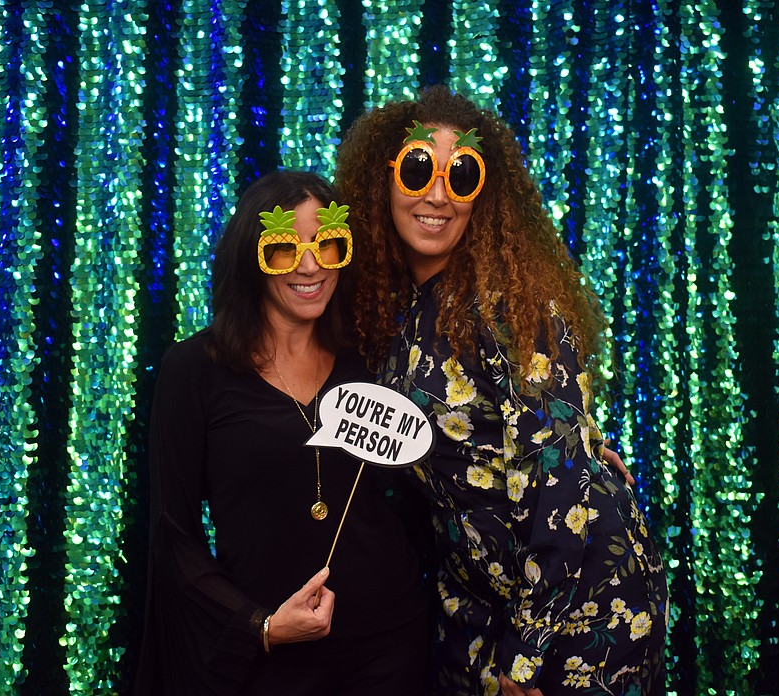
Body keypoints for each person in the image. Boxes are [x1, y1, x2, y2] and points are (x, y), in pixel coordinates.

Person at [334, 85, 668, 695]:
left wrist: (526, 655)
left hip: (577, 603)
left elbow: (563, 484)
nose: (437, 195)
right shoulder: (393, 307)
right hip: (477, 601)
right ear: (381, 180)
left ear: (482, 195)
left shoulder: (512, 308)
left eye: (461, 175)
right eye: (416, 170)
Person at [133, 170, 429, 695]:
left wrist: (567, 451)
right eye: (284, 250)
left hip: (389, 647)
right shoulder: (193, 370)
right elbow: (173, 535)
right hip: (267, 663)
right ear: (252, 259)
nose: (310, 266)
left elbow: (446, 452)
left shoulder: (372, 356)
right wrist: (259, 627)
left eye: (327, 246)